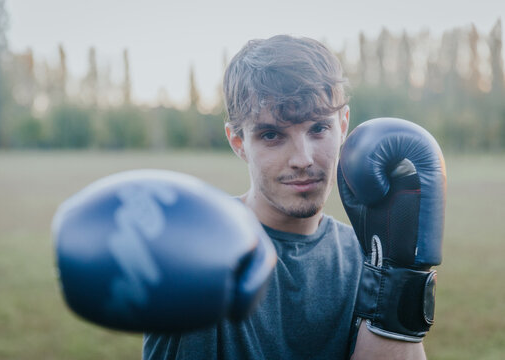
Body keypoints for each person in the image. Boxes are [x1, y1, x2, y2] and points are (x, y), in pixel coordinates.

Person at [141, 35, 429, 359]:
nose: (303, 158)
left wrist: (400, 273)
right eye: (271, 135)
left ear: (343, 125)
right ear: (238, 142)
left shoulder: (369, 256)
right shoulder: (201, 249)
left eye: (318, 128)